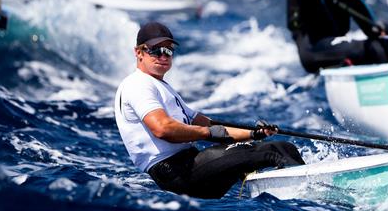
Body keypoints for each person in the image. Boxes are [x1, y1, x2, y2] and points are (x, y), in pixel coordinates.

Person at [114, 21, 304, 199]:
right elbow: (163, 128)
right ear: (139, 52)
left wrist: (254, 134)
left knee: (278, 148)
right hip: (176, 171)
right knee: (277, 151)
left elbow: (208, 124)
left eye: (168, 51)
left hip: (189, 165)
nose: (164, 56)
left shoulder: (161, 86)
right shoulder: (138, 84)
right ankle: (308, 201)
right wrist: (207, 133)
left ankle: (301, 192)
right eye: (156, 50)